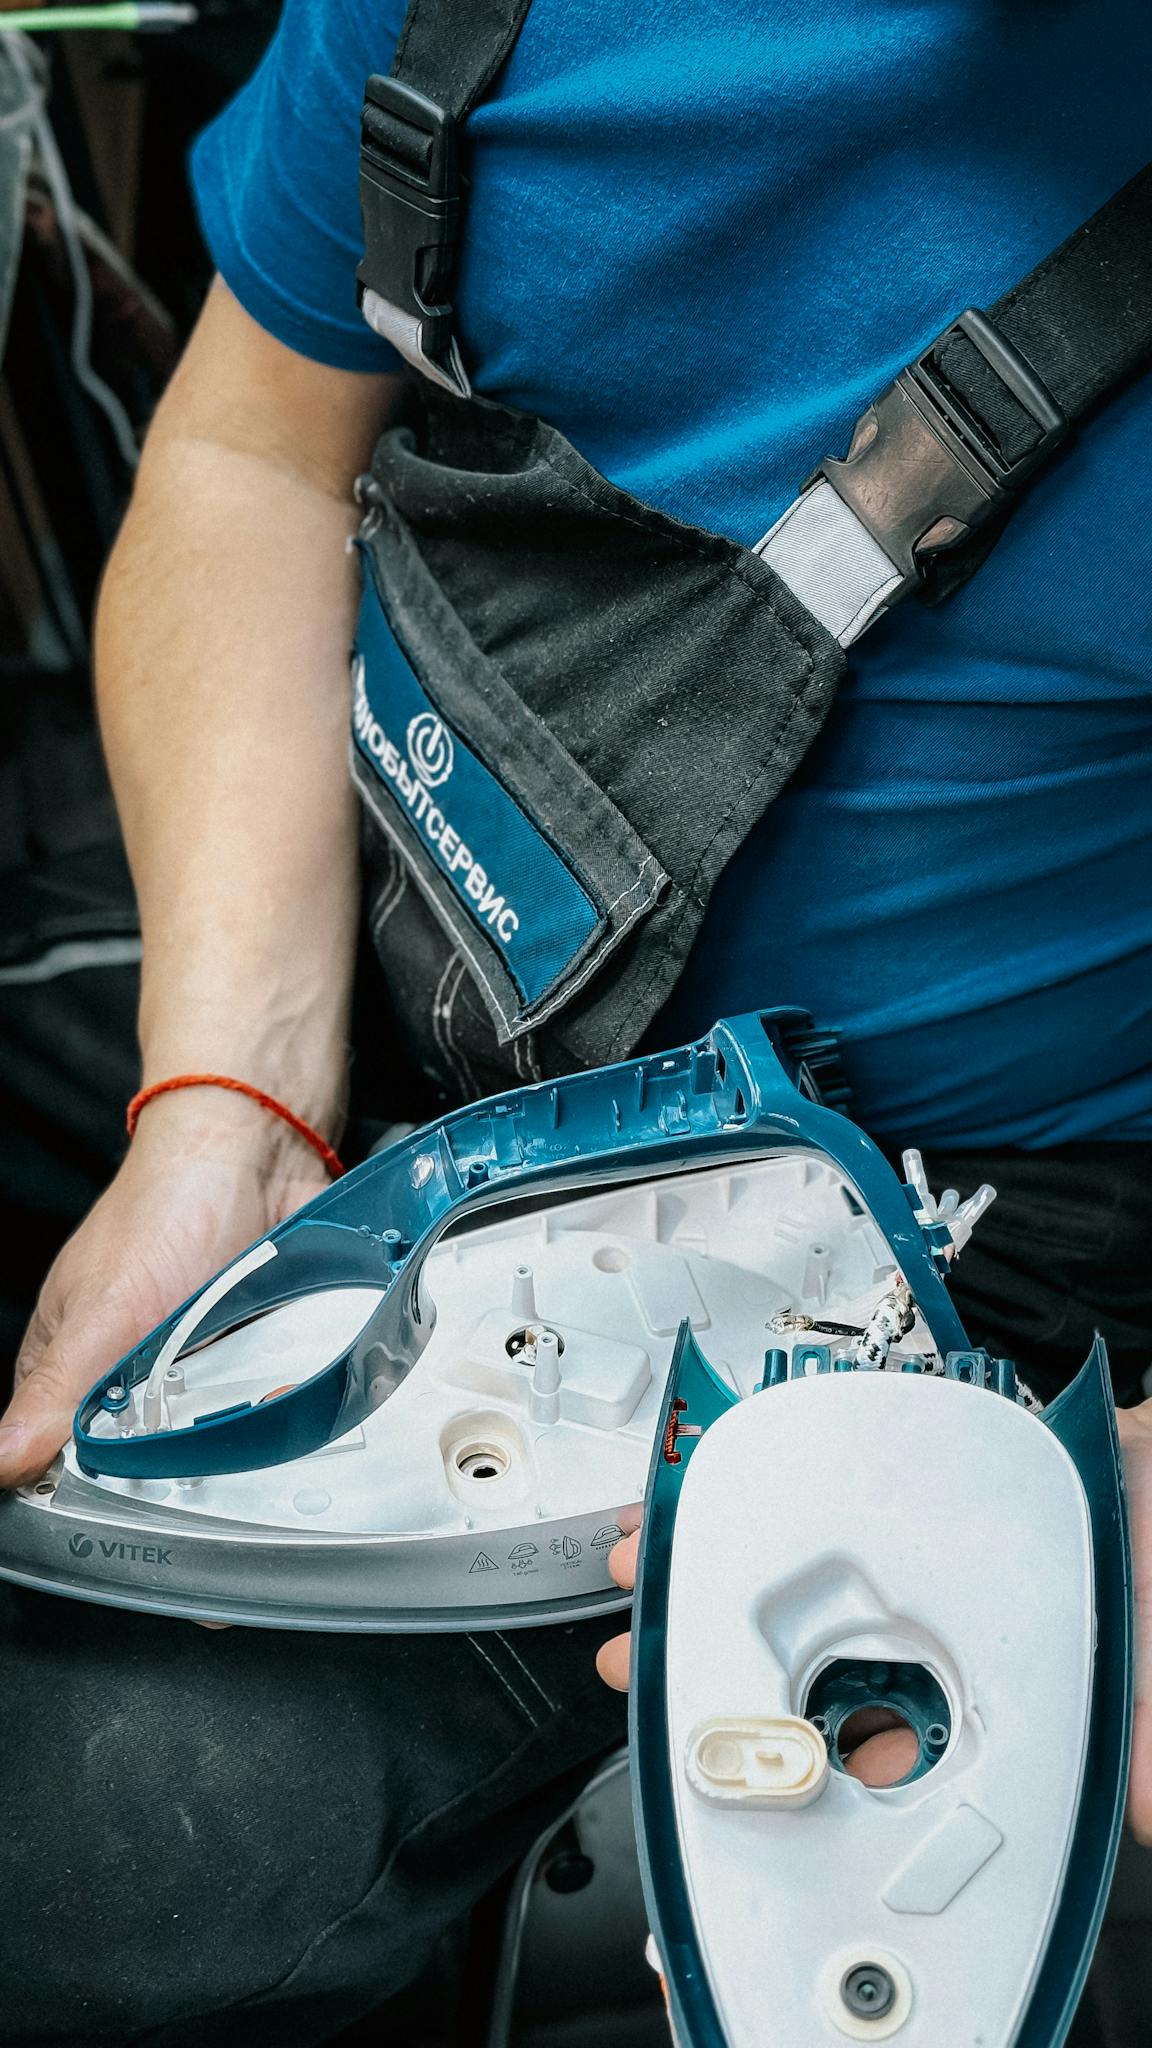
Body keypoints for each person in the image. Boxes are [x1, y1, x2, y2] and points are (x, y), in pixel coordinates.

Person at [1, 1, 1150, 2041]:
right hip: (371, 1010)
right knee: (71, 1887)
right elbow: (254, 454)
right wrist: (227, 1099)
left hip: (1012, 1246)